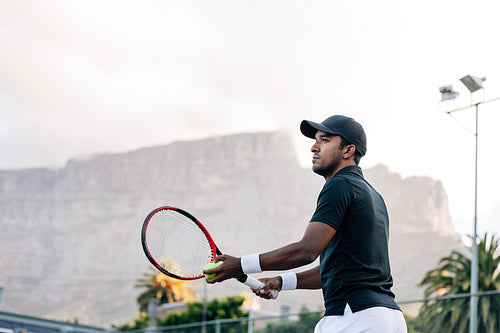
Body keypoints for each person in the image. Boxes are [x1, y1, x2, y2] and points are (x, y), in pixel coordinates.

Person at [204, 115, 407, 332]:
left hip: (354, 317)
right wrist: (281, 281)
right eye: (316, 140)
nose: (314, 147)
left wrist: (240, 265)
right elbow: (337, 269)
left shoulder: (339, 185)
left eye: (325, 140)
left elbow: (307, 250)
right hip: (388, 318)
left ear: (348, 151)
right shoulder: (374, 196)